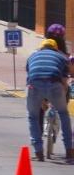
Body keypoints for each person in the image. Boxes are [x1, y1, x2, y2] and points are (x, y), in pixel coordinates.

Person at [26, 29, 72, 163]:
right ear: (56, 48)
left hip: (35, 85)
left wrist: (40, 99)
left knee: (32, 116)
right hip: (54, 84)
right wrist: (61, 97)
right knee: (64, 114)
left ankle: (38, 152)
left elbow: (30, 77)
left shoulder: (33, 56)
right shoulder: (62, 57)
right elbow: (64, 82)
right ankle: (69, 150)